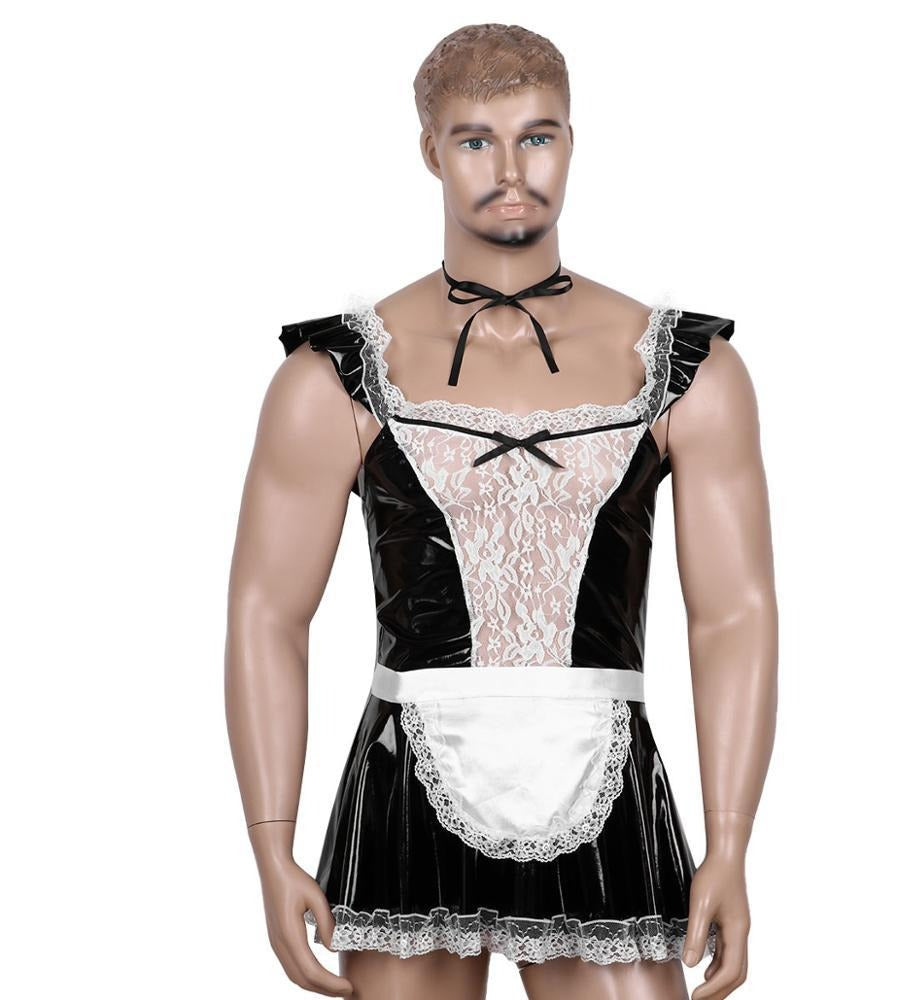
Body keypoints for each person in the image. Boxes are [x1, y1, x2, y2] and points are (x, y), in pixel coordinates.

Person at [226, 22, 778, 1000]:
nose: (511, 169)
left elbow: (733, 615)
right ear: (431, 150)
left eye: (538, 135)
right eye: (477, 139)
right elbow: (266, 614)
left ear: (571, 141)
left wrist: (730, 842)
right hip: (406, 778)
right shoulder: (335, 376)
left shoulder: (687, 371)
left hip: (607, 776)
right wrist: (271, 845)